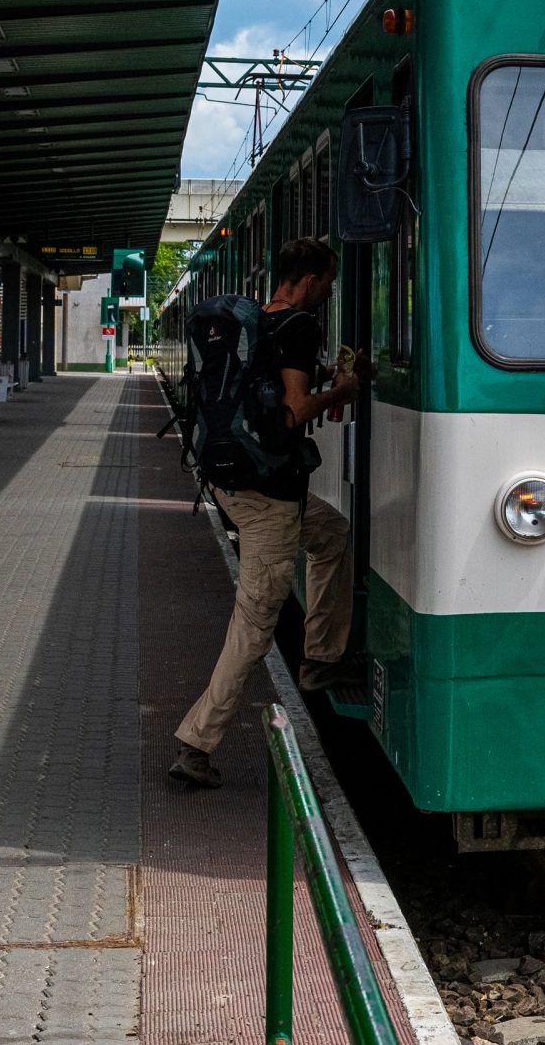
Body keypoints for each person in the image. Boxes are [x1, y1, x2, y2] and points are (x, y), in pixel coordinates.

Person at [170, 237, 367, 790]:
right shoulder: (300, 327)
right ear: (308, 281)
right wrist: (342, 390)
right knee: (255, 625)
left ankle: (321, 656)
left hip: (237, 485)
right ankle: (196, 742)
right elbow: (294, 409)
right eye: (326, 283)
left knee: (332, 534)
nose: (327, 293)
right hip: (270, 501)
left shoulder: (260, 323)